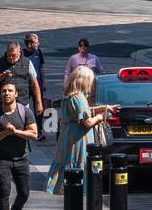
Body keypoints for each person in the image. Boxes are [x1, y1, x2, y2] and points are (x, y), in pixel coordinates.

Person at [45, 66, 119, 195]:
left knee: (68, 168)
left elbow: (82, 112)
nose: (91, 84)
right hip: (78, 140)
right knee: (78, 169)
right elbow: (87, 121)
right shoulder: (79, 98)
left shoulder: (69, 96)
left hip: (68, 139)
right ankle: (77, 202)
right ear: (84, 80)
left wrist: (104, 107)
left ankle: (70, 198)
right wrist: (101, 117)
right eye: (90, 80)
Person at [0, 80, 38, 210]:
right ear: (0, 94)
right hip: (2, 159)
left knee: (24, 193)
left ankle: (16, 209)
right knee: (4, 190)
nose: (7, 93)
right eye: (4, 91)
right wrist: (5, 133)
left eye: (10, 90)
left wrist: (16, 132)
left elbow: (34, 134)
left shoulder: (25, 112)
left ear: (16, 94)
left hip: (21, 158)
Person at [0, 41, 44, 122]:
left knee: (22, 129)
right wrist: (2, 76)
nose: (11, 58)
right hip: (4, 104)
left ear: (19, 52)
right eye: (9, 55)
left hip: (23, 103)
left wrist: (38, 102)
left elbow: (35, 84)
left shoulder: (27, 63)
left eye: (14, 55)